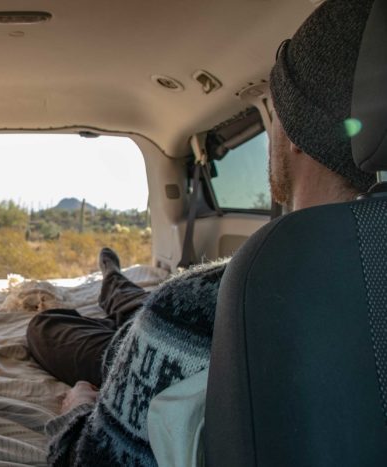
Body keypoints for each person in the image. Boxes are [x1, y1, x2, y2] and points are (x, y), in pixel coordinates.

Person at [28, 0, 377, 465]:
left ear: (293, 133)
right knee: (133, 302)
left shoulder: (190, 306)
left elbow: (86, 459)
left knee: (45, 325)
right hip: (161, 325)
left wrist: (79, 409)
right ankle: (112, 276)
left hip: (149, 344)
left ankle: (112, 280)